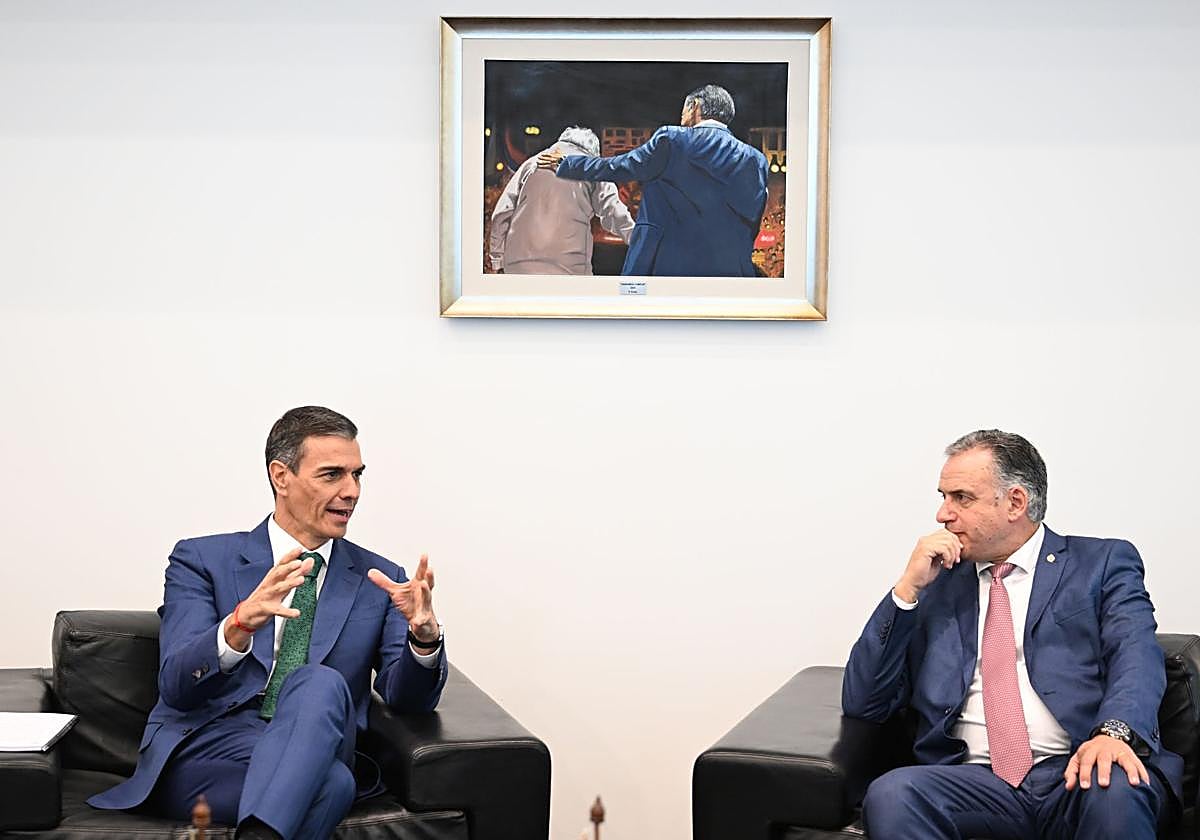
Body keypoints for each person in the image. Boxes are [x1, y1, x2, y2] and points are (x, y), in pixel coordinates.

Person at [89, 406, 447, 839]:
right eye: (332, 475)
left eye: (357, 475)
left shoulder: (380, 578)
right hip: (209, 751)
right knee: (333, 786)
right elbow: (177, 684)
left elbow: (409, 701)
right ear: (281, 476)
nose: (351, 491)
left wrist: (423, 639)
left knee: (318, 682)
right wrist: (238, 625)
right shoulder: (202, 560)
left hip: (317, 743)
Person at [842, 430, 1182, 839]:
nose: (942, 515)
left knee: (1113, 781)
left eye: (961, 498)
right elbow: (864, 702)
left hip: (1077, 769)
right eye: (943, 496)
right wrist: (906, 591)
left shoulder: (1101, 563)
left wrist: (1113, 734)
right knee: (893, 794)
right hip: (975, 784)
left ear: (1016, 502)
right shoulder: (937, 585)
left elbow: (1136, 653)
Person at [537, 84, 768, 277]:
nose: (681, 117)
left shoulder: (673, 140)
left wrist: (568, 162)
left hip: (665, 268)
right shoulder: (756, 160)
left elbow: (620, 167)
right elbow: (753, 218)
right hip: (730, 271)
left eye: (684, 110)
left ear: (695, 106)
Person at [489, 126, 634, 274]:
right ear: (593, 152)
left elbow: (501, 213)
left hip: (518, 267)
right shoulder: (590, 168)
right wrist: (638, 239)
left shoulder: (530, 164)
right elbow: (614, 212)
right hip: (567, 269)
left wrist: (497, 260)